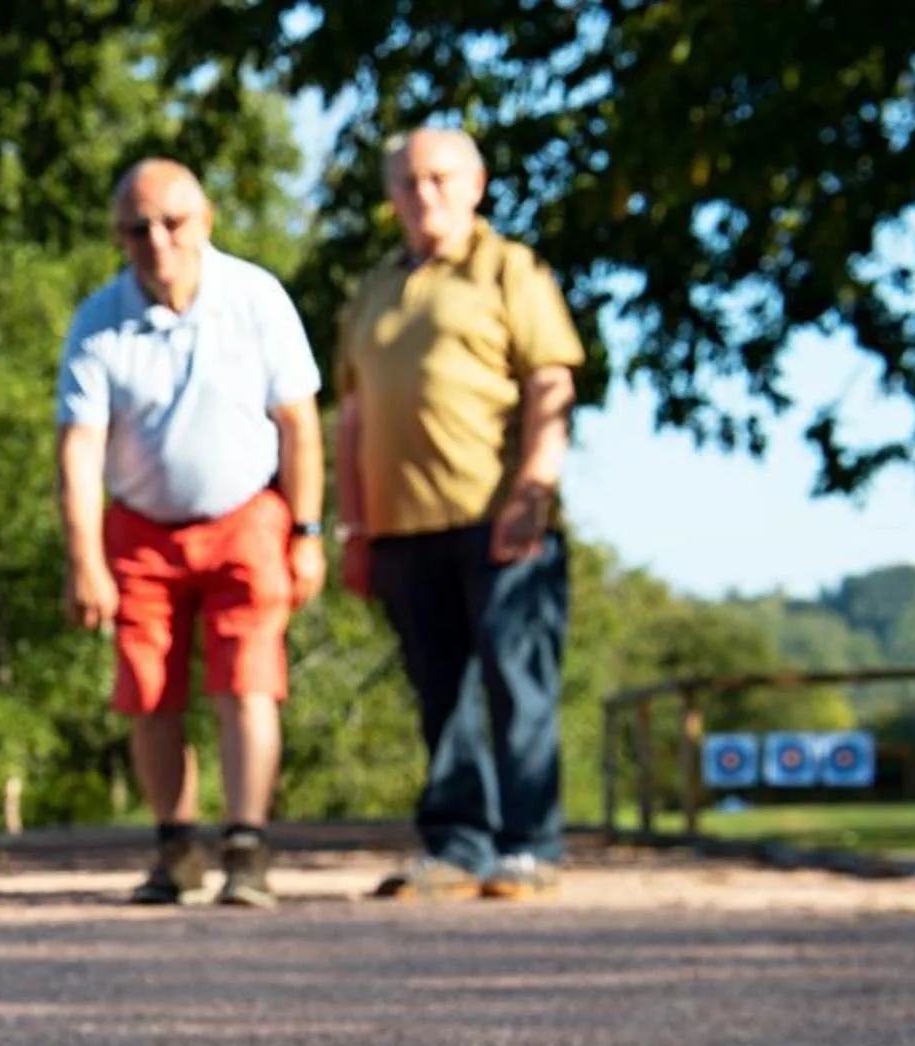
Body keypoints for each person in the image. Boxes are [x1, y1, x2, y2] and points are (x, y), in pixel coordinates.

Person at [56, 159, 327, 909]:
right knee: (148, 689)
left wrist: (306, 529)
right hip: (140, 528)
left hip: (249, 515)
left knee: (249, 680)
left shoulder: (257, 297)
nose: (157, 240)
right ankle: (176, 846)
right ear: (119, 237)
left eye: (172, 221)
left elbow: (298, 422)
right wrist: (85, 559)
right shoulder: (98, 319)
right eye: (137, 227)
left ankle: (247, 845)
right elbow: (79, 447)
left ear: (204, 220)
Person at [335, 128, 585, 901]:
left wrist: (534, 489)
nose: (425, 194)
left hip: (499, 517)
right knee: (439, 691)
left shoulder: (509, 269)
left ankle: (530, 845)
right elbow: (350, 417)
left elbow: (550, 384)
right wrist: (354, 527)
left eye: (441, 178)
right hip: (403, 527)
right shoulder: (372, 290)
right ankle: (457, 844)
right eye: (409, 182)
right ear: (391, 197)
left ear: (476, 184)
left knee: (517, 683)